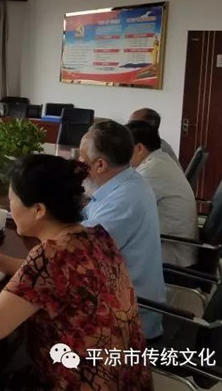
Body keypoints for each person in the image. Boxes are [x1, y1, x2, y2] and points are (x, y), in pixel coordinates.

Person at [0, 155, 152, 390]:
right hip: (129, 380)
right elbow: (55, 278)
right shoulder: (95, 235)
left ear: (38, 209)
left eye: (11, 200)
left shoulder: (50, 256)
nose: (9, 207)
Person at [78, 120, 166, 340]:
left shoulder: (124, 200)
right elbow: (87, 216)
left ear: (100, 165)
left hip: (127, 321)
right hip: (120, 298)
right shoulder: (127, 181)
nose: (79, 166)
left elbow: (74, 250)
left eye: (82, 161)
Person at [126, 120, 198, 267]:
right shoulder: (160, 160)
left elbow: (124, 206)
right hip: (169, 242)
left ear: (139, 148)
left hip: (171, 255)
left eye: (123, 149)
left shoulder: (152, 171)